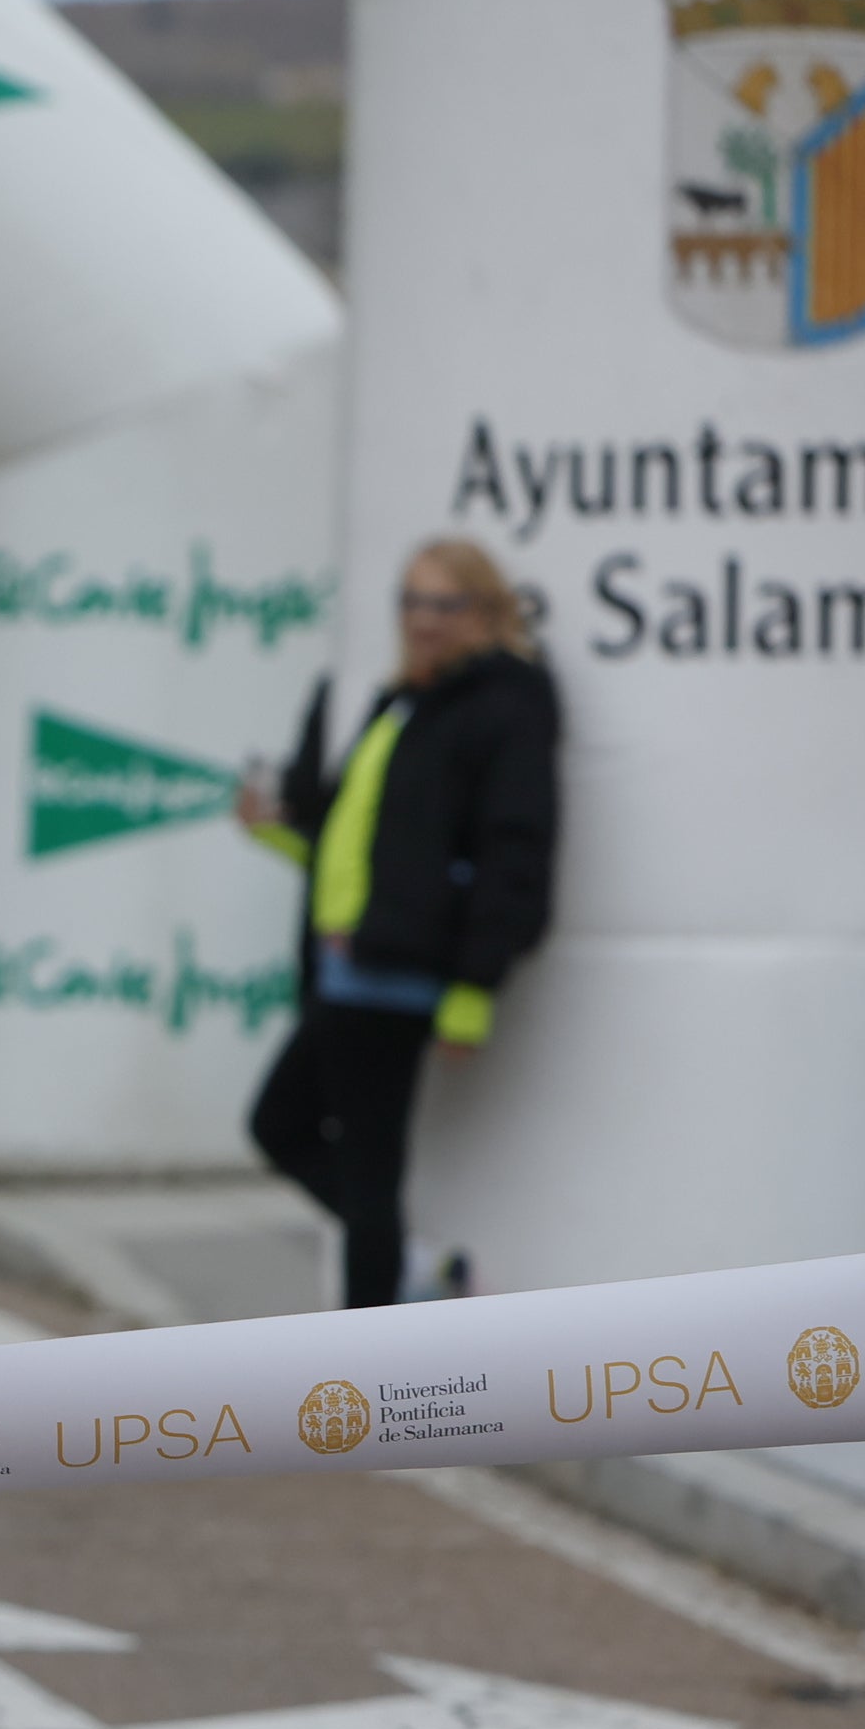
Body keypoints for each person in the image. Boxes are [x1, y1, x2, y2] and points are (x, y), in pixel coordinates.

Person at [238, 536, 559, 1308]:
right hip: (352, 965)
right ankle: (406, 1285)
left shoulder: (505, 706)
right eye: (412, 601)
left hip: (399, 973)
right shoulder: (405, 700)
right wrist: (274, 828)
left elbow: (515, 851)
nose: (423, 619)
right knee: (302, 1138)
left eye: (444, 603)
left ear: (487, 610)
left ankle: (374, 1361)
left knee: (359, 1166)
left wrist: (472, 989)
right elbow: (358, 839)